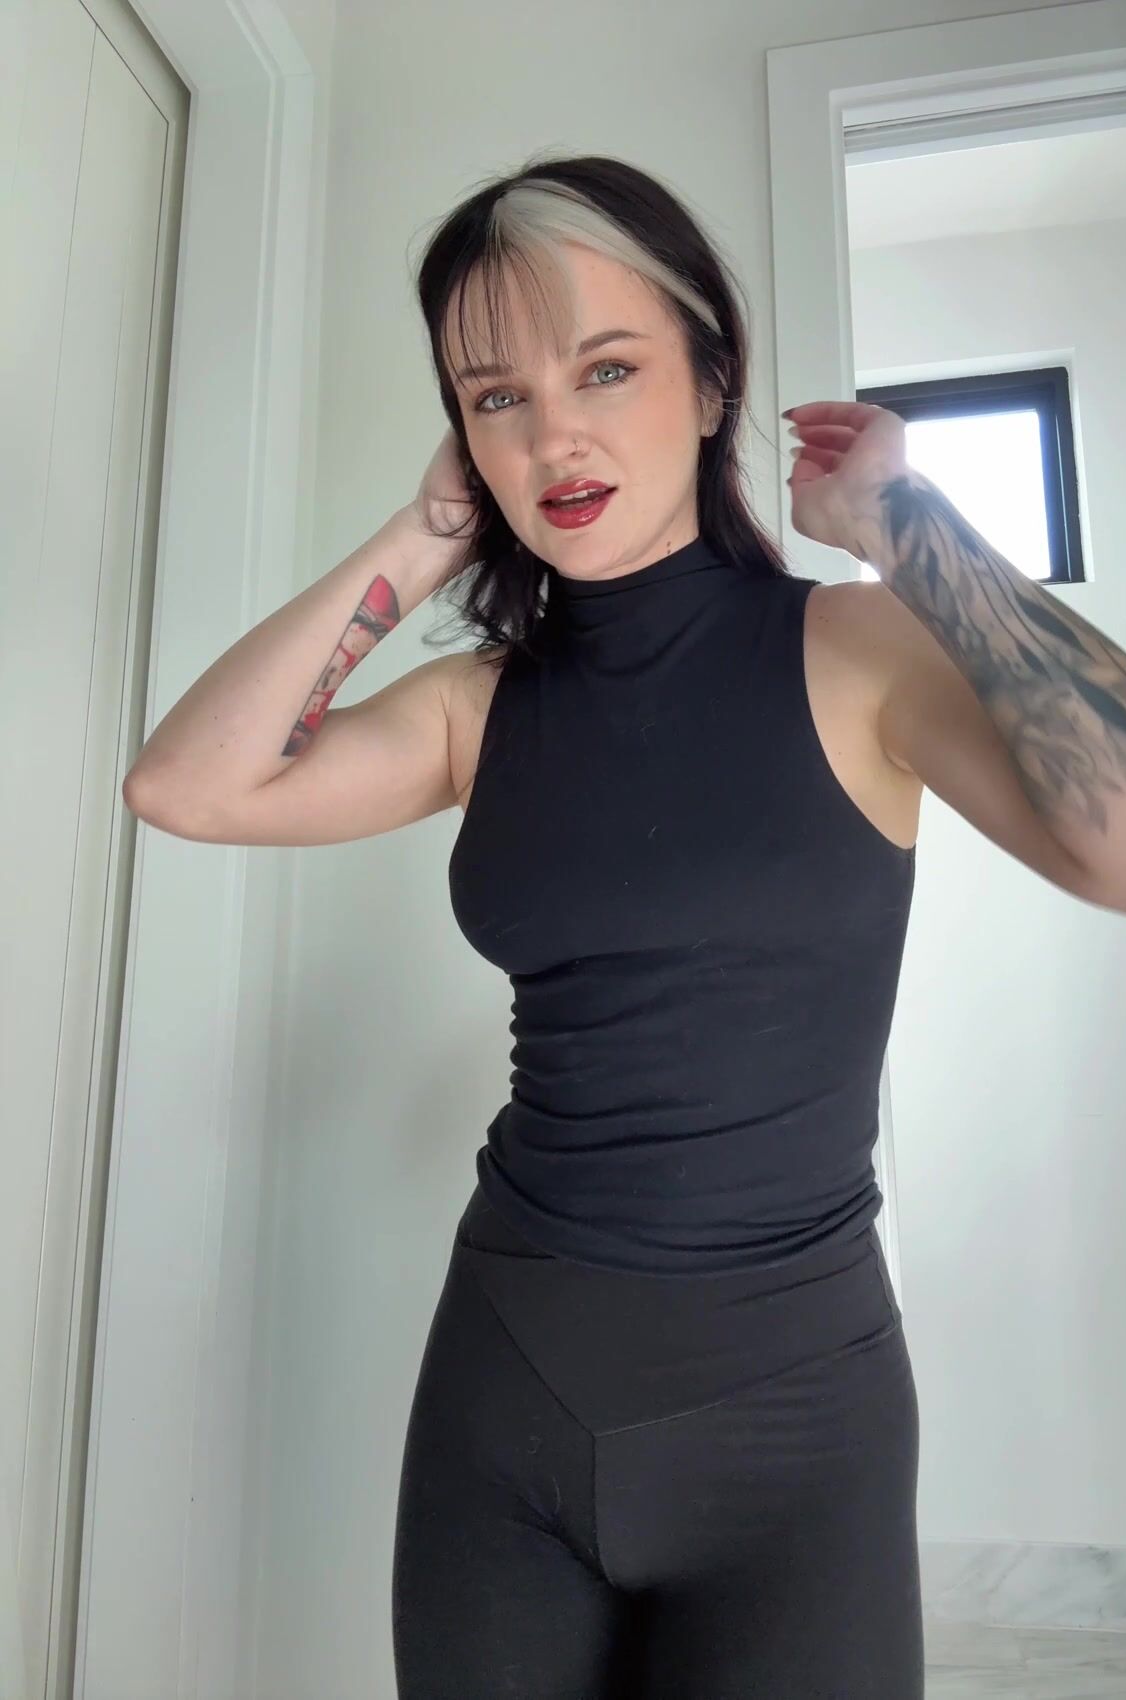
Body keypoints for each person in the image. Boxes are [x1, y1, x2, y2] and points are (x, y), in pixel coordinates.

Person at [124, 151, 925, 1698]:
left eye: (604, 368)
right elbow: (186, 786)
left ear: (710, 381)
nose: (551, 432)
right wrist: (424, 530)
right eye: (494, 396)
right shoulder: (477, 707)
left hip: (795, 1409)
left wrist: (912, 531)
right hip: (508, 1390)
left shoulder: (856, 648)